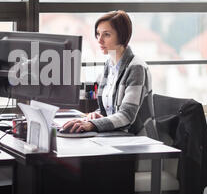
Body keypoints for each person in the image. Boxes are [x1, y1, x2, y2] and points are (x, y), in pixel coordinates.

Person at [63, 10, 158, 139]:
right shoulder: (110, 64)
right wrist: (96, 115)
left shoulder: (136, 68)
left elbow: (126, 115)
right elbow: (108, 111)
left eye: (106, 35)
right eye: (98, 34)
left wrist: (92, 124)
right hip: (115, 136)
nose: (99, 40)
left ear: (122, 36)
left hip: (137, 140)